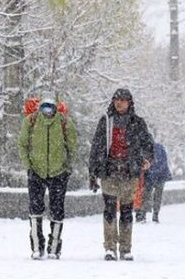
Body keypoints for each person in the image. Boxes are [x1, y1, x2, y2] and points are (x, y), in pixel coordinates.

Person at [88, 87, 154, 261]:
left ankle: (126, 248)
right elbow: (96, 147)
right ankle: (109, 247)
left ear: (129, 102)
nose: (119, 103)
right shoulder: (106, 121)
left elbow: (148, 144)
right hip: (109, 172)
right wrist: (93, 172)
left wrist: (146, 159)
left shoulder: (138, 123)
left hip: (129, 173)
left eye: (123, 100)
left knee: (126, 211)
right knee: (109, 210)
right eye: (117, 100)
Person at [18, 97, 78, 260]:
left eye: (50, 108)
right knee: (35, 210)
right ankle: (37, 247)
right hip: (36, 172)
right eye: (44, 108)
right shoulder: (30, 122)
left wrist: (67, 168)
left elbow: (72, 147)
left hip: (59, 172)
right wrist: (28, 166)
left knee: (57, 210)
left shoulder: (65, 123)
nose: (47, 111)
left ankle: (54, 247)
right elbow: (22, 144)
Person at [136, 140, 172, 223]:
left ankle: (143, 215)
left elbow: (145, 164)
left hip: (150, 176)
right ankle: (155, 216)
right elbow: (165, 162)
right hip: (161, 176)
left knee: (146, 195)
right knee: (158, 196)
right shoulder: (160, 147)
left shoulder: (146, 149)